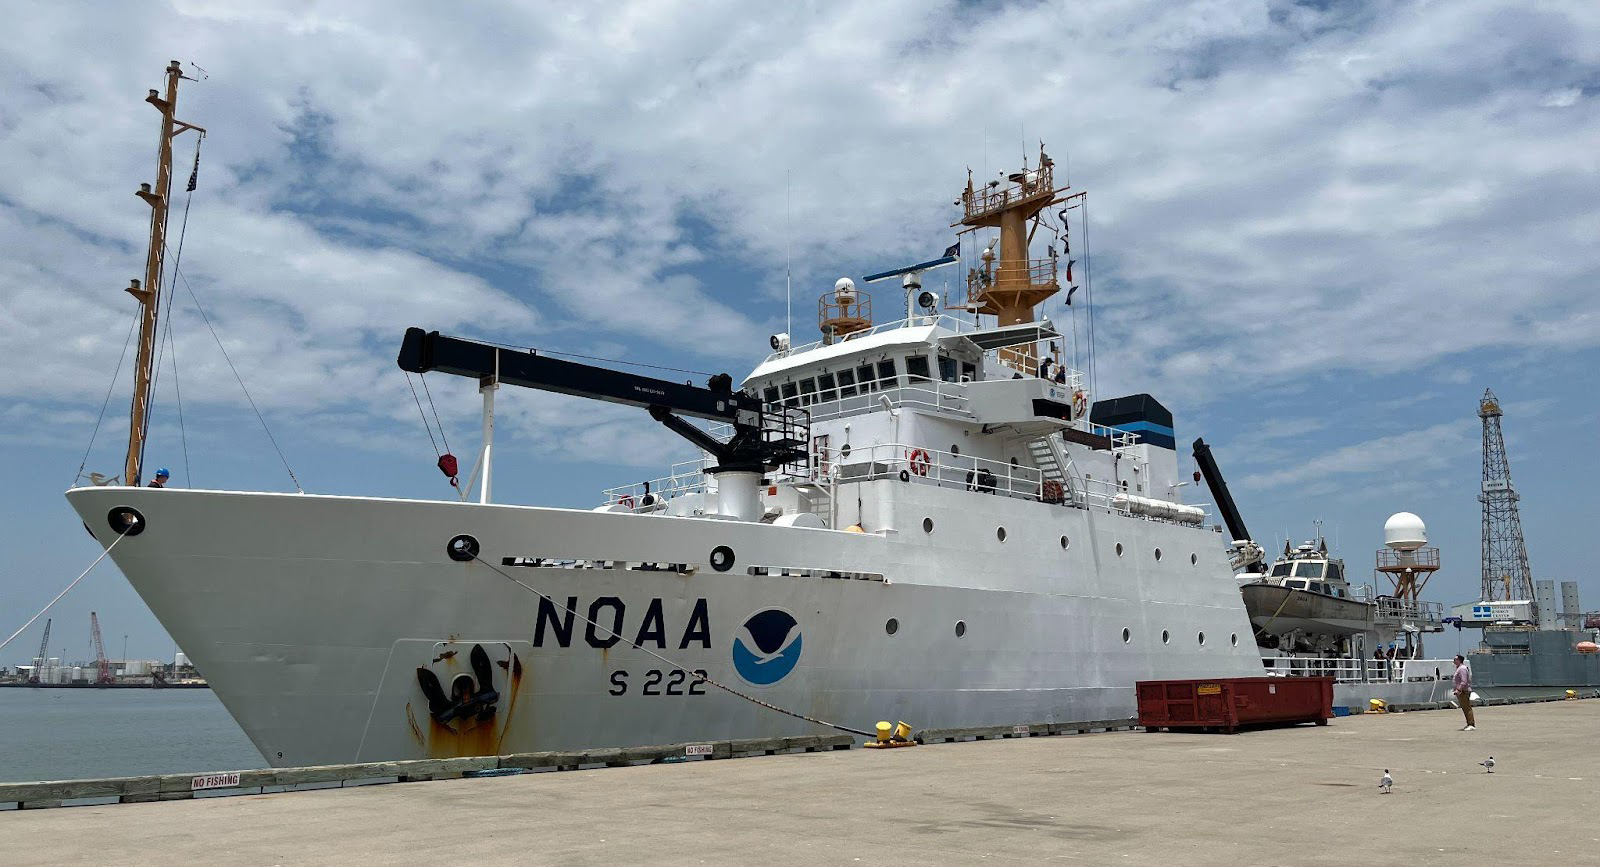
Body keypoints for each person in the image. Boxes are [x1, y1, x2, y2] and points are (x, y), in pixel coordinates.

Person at [1453, 654, 1475, 730]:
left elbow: (1464, 681)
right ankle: (1469, 723)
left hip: (1463, 691)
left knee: (1467, 708)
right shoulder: (1460, 668)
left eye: (1455, 659)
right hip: (1462, 691)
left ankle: (1471, 724)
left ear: (1459, 660)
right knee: (1465, 707)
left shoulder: (1462, 669)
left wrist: (1458, 689)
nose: (1453, 661)